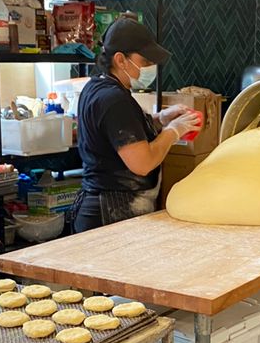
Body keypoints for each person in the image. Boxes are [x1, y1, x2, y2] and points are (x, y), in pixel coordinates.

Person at [70, 16, 201, 233]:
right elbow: (142, 163)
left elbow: (121, 133)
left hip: (104, 207)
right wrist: (173, 131)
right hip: (111, 214)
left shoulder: (97, 87)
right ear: (121, 60)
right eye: (146, 62)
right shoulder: (114, 99)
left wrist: (161, 119)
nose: (151, 68)